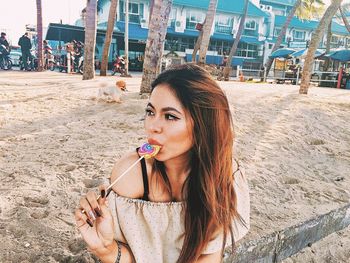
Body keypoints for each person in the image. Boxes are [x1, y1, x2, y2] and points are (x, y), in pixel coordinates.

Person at [75, 63, 250, 263]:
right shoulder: (131, 175)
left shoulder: (224, 176)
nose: (152, 127)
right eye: (150, 112)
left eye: (170, 116)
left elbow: (209, 255)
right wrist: (105, 249)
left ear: (204, 125)